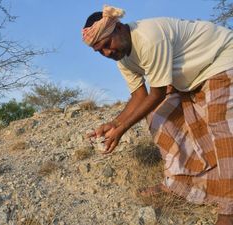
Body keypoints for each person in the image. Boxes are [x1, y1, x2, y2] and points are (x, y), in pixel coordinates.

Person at [83, 5, 233, 225]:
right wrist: (114, 123)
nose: (107, 53)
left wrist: (123, 129)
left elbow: (157, 93)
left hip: (220, 59)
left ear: (120, 28)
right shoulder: (122, 58)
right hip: (190, 78)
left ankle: (229, 210)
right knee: (158, 118)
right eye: (100, 51)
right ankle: (179, 184)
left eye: (107, 44)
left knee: (221, 126)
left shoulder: (149, 37)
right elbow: (138, 96)